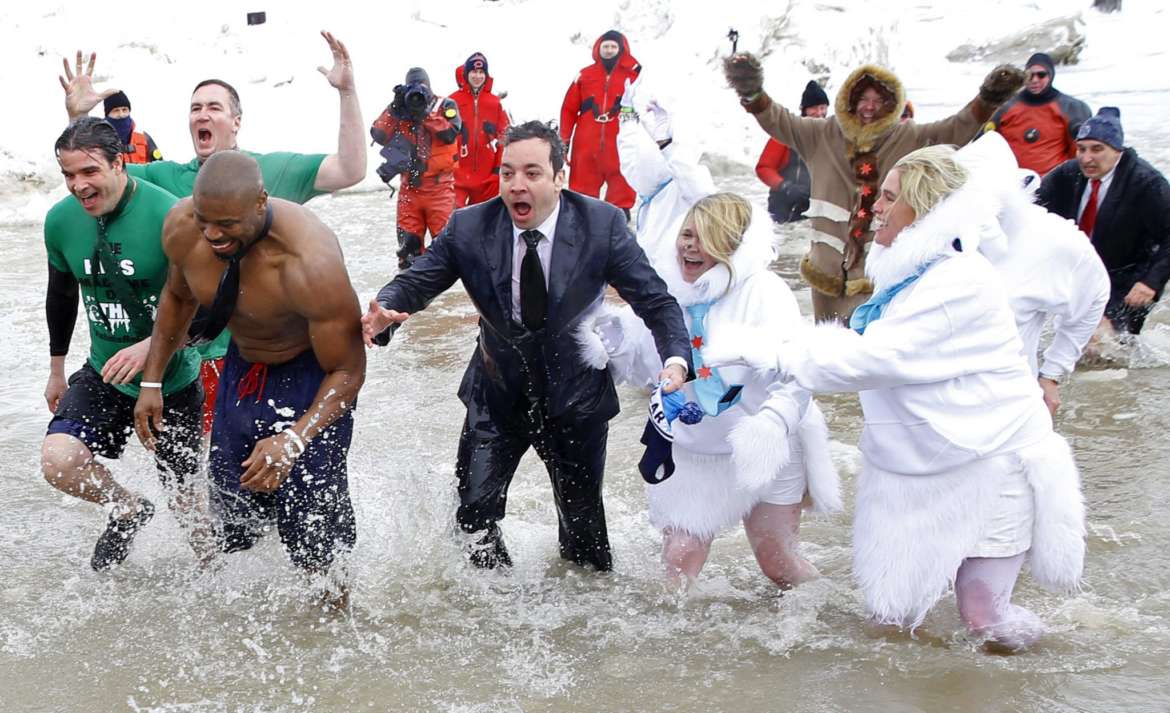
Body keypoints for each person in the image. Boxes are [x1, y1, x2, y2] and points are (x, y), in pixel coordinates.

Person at [706, 145, 1086, 651]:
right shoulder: (909, 276)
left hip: (991, 461)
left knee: (983, 617)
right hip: (917, 466)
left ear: (925, 210)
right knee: (891, 621)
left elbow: (876, 359)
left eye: (888, 197)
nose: (874, 208)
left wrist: (771, 352)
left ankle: (1057, 655)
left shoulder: (960, 280)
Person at [361, 121, 692, 572]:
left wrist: (676, 360)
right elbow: (417, 282)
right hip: (497, 394)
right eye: (507, 173)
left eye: (532, 173)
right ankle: (495, 601)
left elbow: (656, 301)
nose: (516, 184)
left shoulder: (601, 225)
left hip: (575, 397)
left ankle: (582, 606)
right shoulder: (468, 227)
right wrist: (385, 311)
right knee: (472, 518)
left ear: (559, 177)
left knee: (583, 537)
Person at [59, 33, 367, 434]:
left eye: (214, 107)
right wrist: (78, 120)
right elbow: (95, 178)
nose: (202, 115)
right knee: (202, 459)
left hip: (249, 348)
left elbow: (350, 169)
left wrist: (347, 92)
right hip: (186, 352)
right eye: (195, 108)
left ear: (237, 122)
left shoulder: (270, 171)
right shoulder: (164, 177)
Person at [132, 151, 366, 604]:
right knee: (235, 516)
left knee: (315, 531)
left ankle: (331, 620)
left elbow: (349, 370)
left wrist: (294, 439)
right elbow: (177, 299)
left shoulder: (309, 261)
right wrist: (152, 381)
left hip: (312, 376)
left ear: (261, 202)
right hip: (244, 368)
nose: (213, 235)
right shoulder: (183, 227)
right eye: (205, 220)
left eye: (227, 224)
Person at [577, 193, 840, 588]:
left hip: (763, 441)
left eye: (704, 238)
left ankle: (820, 612)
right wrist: (600, 333)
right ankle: (675, 628)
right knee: (679, 560)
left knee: (778, 562)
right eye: (686, 235)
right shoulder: (665, 291)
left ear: (731, 245)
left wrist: (773, 426)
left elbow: (797, 376)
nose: (689, 246)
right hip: (693, 445)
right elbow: (638, 361)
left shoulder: (765, 292)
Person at [723, 53, 1025, 323]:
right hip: (824, 272)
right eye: (863, 99)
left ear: (892, 106)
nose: (869, 107)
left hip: (876, 272)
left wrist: (988, 99)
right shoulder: (822, 133)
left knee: (867, 352)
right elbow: (778, 120)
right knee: (826, 354)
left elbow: (954, 130)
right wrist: (751, 90)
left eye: (878, 101)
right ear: (849, 101)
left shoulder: (907, 137)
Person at [41, 118, 207, 571]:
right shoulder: (60, 221)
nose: (78, 185)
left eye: (89, 171)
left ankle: (215, 583)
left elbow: (209, 309)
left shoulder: (171, 217)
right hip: (106, 371)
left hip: (173, 379)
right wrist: (57, 370)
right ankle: (128, 508)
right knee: (59, 461)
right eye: (69, 174)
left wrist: (152, 346)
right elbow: (61, 295)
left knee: (187, 504)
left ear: (119, 163)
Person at [956, 131, 1109, 416]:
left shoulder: (1052, 239)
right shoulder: (931, 235)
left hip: (1007, 403)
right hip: (933, 403)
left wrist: (1052, 373)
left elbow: (1094, 293)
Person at [1037, 107, 1170, 336]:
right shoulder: (1068, 175)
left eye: (1097, 149)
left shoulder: (1146, 183)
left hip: (1128, 278)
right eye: (1081, 149)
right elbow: (1030, 206)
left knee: (1098, 340)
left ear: (1117, 150)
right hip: (1081, 271)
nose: (1086, 158)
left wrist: (1151, 282)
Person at [616, 75, 716, 269]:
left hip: (680, 271)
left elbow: (703, 194)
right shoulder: (647, 191)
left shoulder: (685, 185)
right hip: (652, 269)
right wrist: (627, 115)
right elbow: (627, 155)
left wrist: (666, 144)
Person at [371, 67, 462, 269]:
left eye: (422, 87)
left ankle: (443, 286)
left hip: (440, 190)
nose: (417, 95)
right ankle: (410, 286)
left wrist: (425, 115)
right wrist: (394, 108)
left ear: (429, 87)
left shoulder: (445, 105)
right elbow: (378, 134)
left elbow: (450, 133)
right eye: (412, 88)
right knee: (408, 252)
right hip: (410, 190)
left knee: (447, 250)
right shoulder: (400, 110)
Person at [560, 30, 641, 215]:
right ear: (598, 48)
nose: (609, 50)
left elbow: (645, 107)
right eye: (606, 46)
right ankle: (581, 222)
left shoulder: (634, 76)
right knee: (582, 193)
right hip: (586, 144)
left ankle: (619, 218)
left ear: (621, 49)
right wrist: (564, 140)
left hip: (620, 142)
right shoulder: (584, 75)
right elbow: (568, 109)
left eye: (613, 46)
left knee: (622, 184)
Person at [982, 52, 1091, 176]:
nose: (1034, 80)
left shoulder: (1072, 108)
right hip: (1012, 180)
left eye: (1041, 75)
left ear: (1051, 76)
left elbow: (1082, 151)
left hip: (1053, 181)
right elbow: (983, 145)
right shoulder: (1003, 107)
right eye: (1030, 75)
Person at [755, 81, 829, 224]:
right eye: (814, 108)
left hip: (815, 212)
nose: (819, 113)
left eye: (822, 108)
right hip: (783, 211)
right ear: (803, 110)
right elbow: (764, 168)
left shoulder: (831, 136)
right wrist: (786, 187)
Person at [450, 52, 510, 207]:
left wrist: (498, 171)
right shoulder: (452, 101)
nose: (477, 76)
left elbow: (506, 140)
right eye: (474, 72)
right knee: (453, 219)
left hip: (487, 179)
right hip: (456, 178)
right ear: (466, 73)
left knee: (484, 220)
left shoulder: (495, 103)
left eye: (481, 72)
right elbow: (441, 139)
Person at [102, 91, 162, 164]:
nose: (121, 114)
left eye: (124, 110)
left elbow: (160, 165)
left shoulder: (143, 136)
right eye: (116, 110)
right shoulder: (99, 138)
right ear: (107, 114)